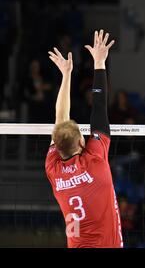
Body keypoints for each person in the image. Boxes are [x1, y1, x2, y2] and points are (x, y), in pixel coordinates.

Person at [45, 30, 123, 248]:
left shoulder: (54, 168)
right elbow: (98, 107)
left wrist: (66, 75)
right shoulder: (94, 161)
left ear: (58, 146)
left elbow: (61, 119)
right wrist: (99, 62)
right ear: (81, 142)